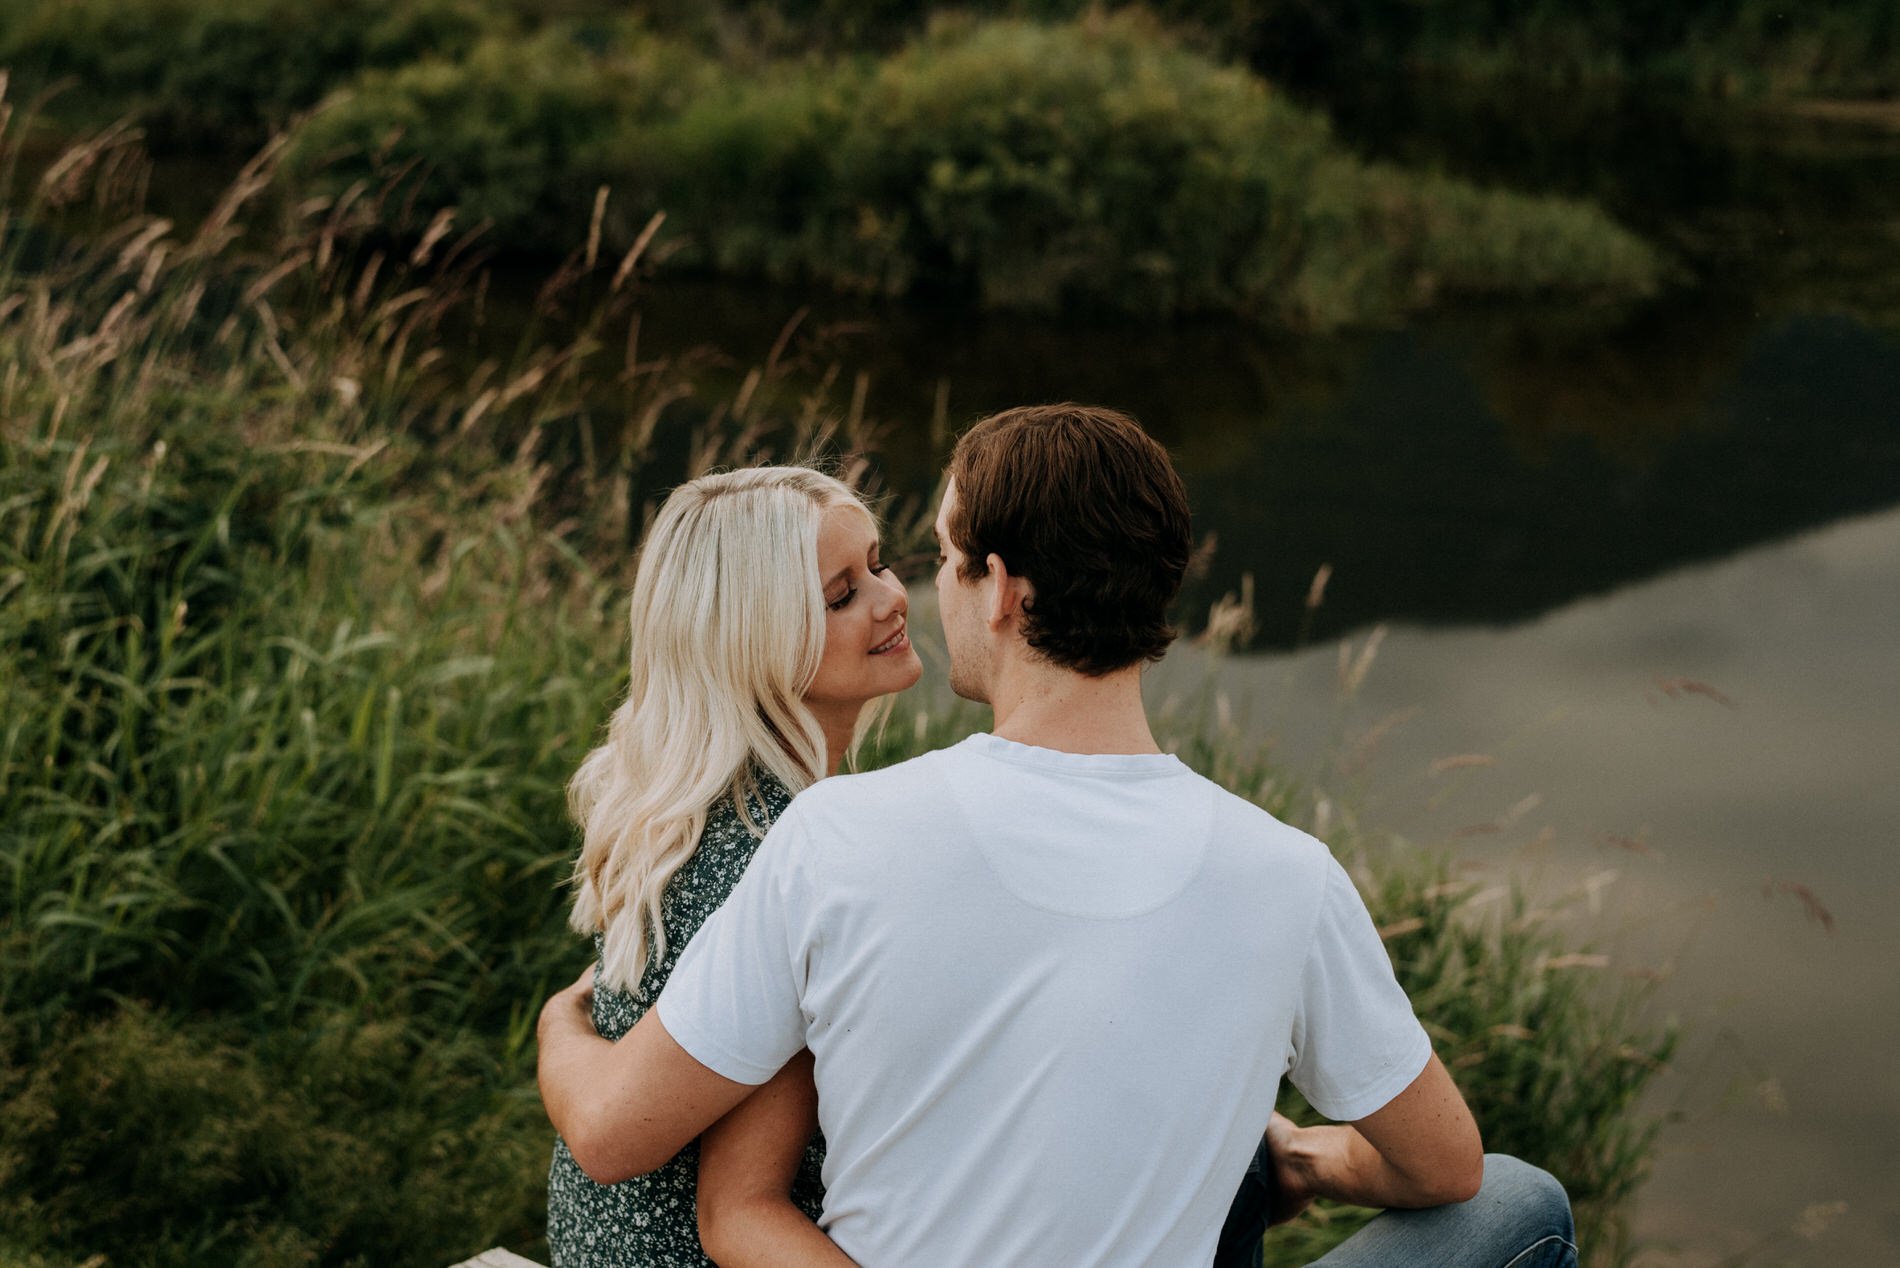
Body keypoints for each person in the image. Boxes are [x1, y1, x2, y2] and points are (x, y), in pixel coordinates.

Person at [541, 404, 1578, 1266]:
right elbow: (1447, 1169)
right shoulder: (1288, 872)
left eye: (938, 559)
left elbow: (697, 1182)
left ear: (1002, 589)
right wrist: (1311, 1156)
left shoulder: (834, 836)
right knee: (1518, 1202)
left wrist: (560, 1029)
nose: (914, 590)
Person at [544, 465, 922, 1266]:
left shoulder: (720, 805)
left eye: (879, 564)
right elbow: (723, 1191)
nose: (891, 597)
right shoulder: (770, 852)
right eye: (841, 594)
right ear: (758, 640)